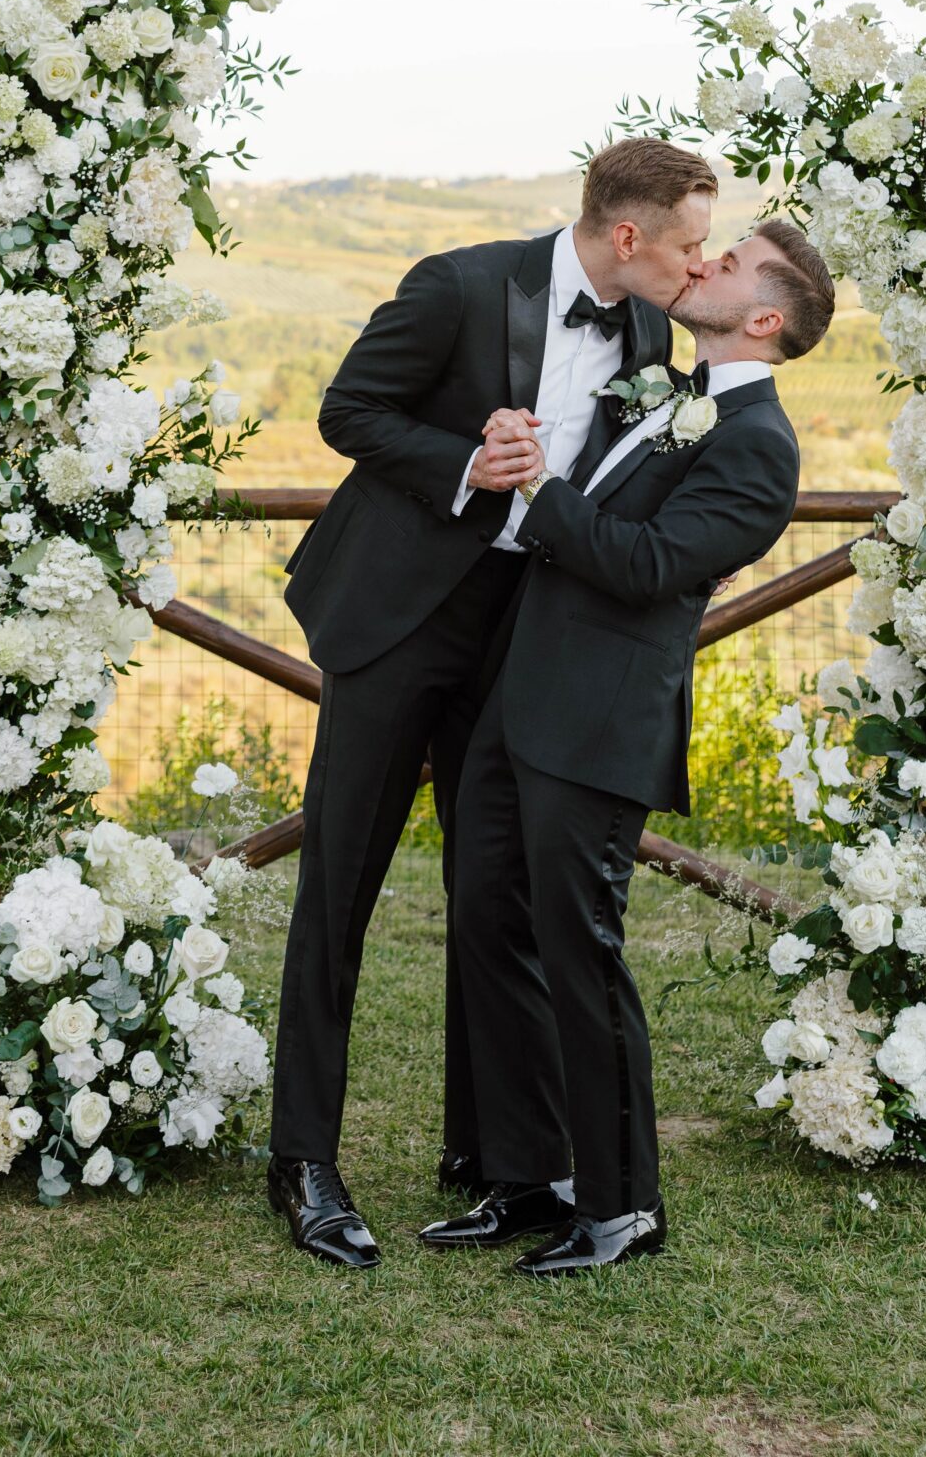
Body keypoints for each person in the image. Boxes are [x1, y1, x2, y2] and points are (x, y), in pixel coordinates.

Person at [266, 137, 720, 1268]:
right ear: (630, 237)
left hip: (523, 639)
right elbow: (350, 412)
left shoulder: (654, 336)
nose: (699, 264)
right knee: (342, 889)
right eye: (690, 242)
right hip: (398, 622)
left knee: (493, 891)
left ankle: (502, 1158)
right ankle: (304, 1162)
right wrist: (470, 458)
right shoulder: (462, 285)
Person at [420, 218, 834, 1276]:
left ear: (766, 317)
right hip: (522, 700)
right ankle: (526, 1175)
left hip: (600, 724)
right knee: (486, 924)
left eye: (729, 264)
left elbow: (648, 565)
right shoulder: (666, 388)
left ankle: (621, 1207)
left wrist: (539, 491)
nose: (705, 265)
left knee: (580, 955)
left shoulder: (759, 447)